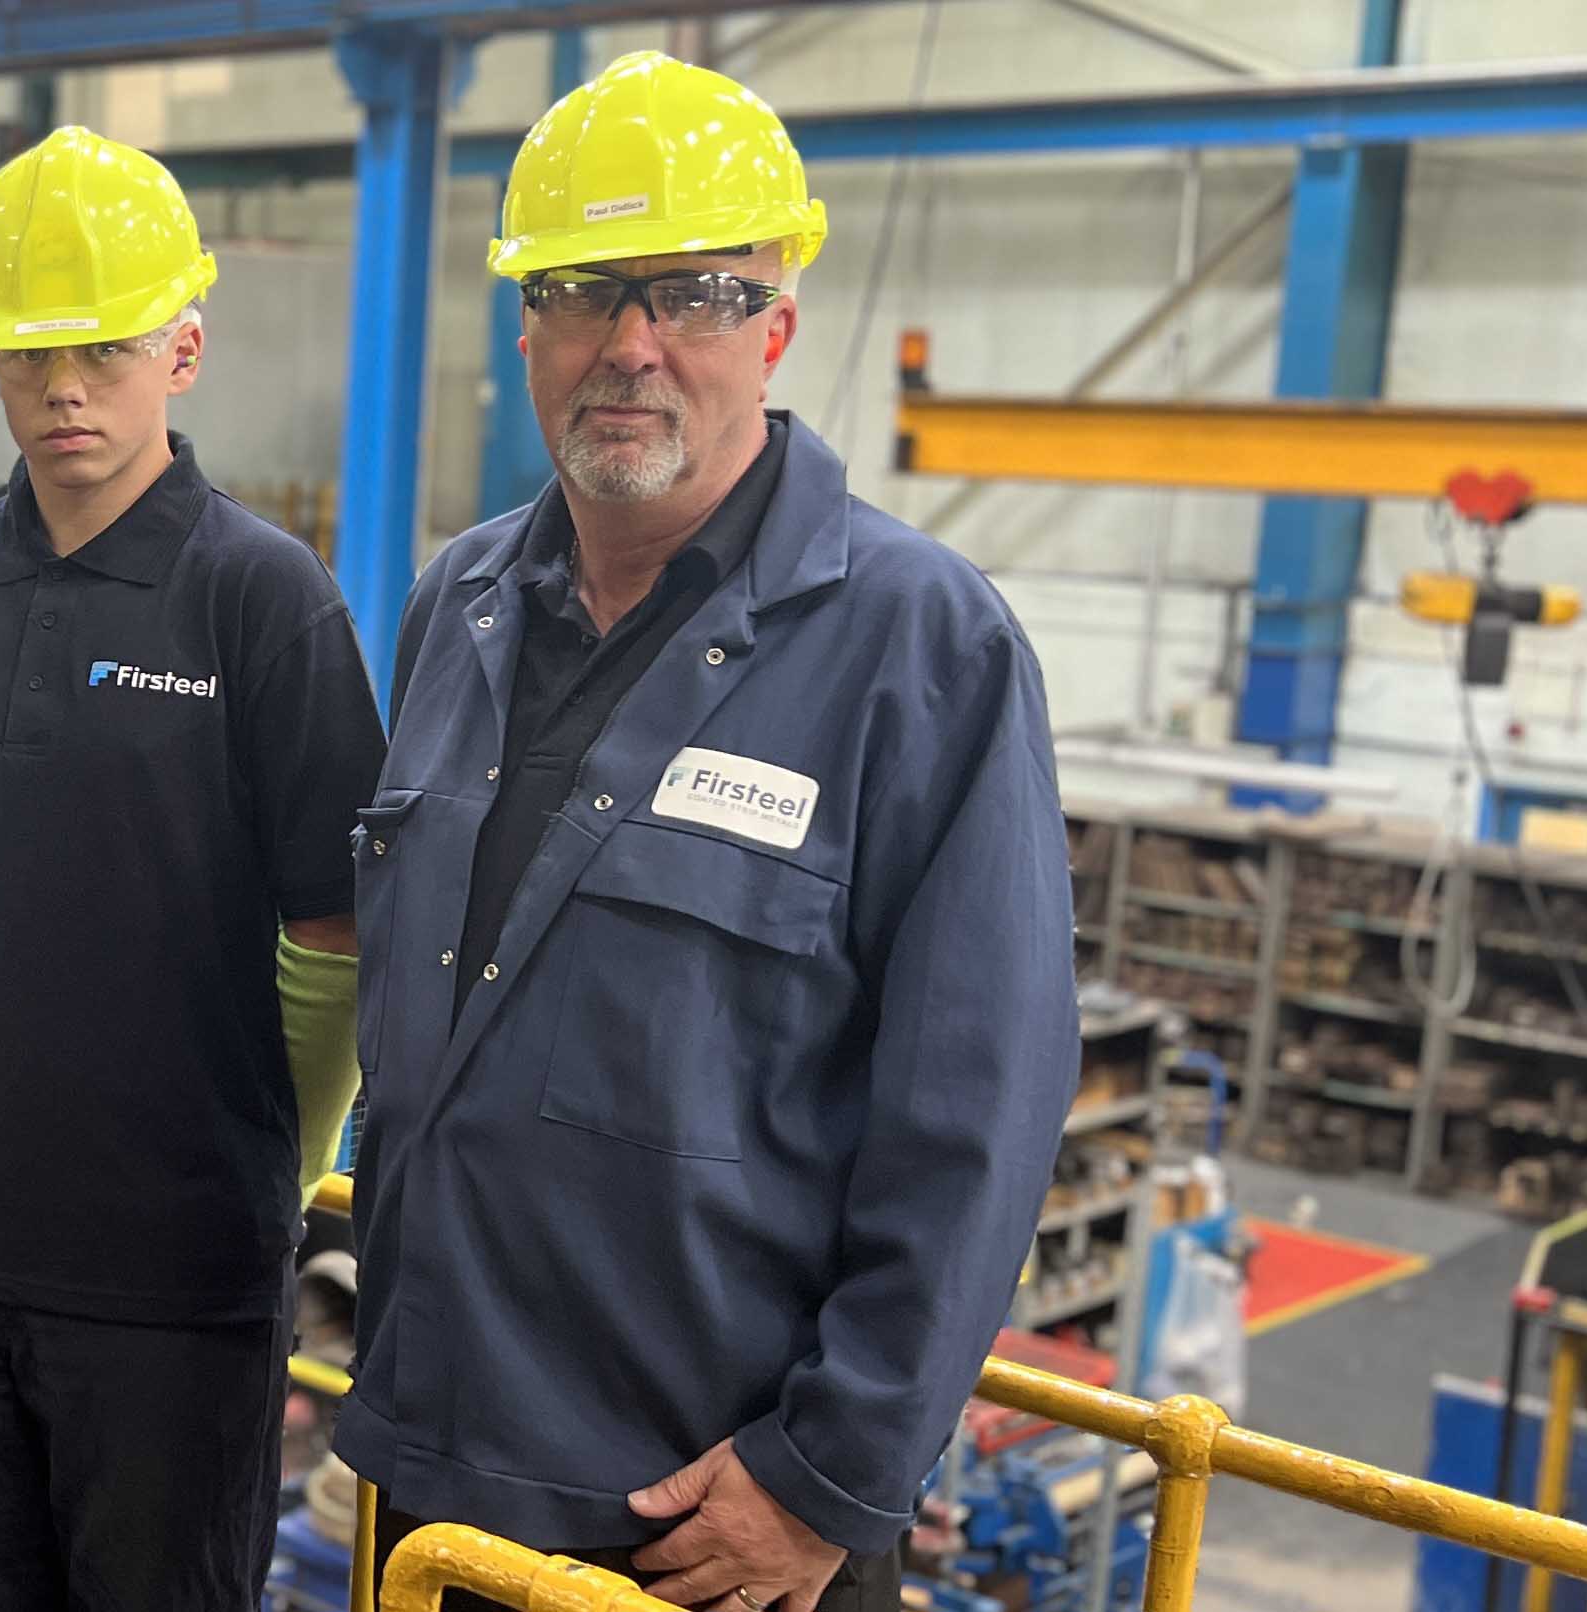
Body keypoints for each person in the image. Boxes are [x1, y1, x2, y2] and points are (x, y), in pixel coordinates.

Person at [338, 52, 1078, 1612]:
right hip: (439, 1481)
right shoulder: (456, 605)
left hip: (712, 1542)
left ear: (777, 326)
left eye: (692, 294)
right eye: (582, 292)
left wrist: (829, 1478)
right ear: (524, 325)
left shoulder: (918, 648)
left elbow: (978, 1106)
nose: (631, 345)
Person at [0, 127, 387, 1612]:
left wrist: (256, 1181)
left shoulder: (262, 601)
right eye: (26, 352)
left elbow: (337, 933)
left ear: (186, 347)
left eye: (101, 345)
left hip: (173, 1289)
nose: (63, 387)